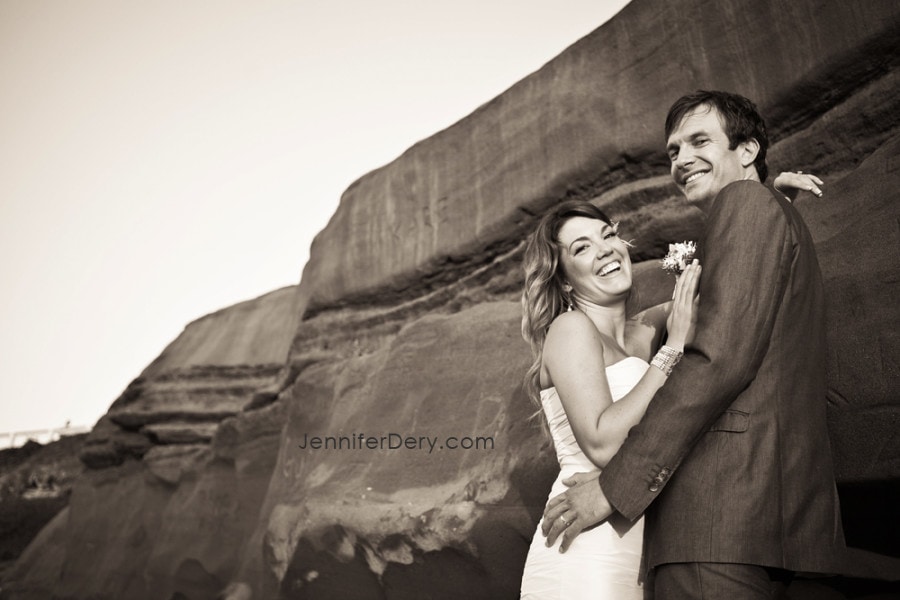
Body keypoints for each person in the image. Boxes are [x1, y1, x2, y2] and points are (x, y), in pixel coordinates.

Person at [540, 90, 844, 599]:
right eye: (673, 151)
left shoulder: (746, 206)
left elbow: (718, 355)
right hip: (764, 515)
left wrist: (616, 489)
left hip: (716, 514)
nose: (681, 159)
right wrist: (770, 196)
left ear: (746, 150)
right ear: (564, 278)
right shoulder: (756, 211)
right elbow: (732, 306)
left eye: (698, 141)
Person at [519, 200, 701, 599]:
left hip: (642, 546)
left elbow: (732, 288)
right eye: (581, 248)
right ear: (564, 280)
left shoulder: (648, 330)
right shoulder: (570, 328)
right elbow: (602, 442)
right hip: (585, 552)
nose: (604, 249)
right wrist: (672, 349)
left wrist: (765, 197)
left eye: (608, 235)